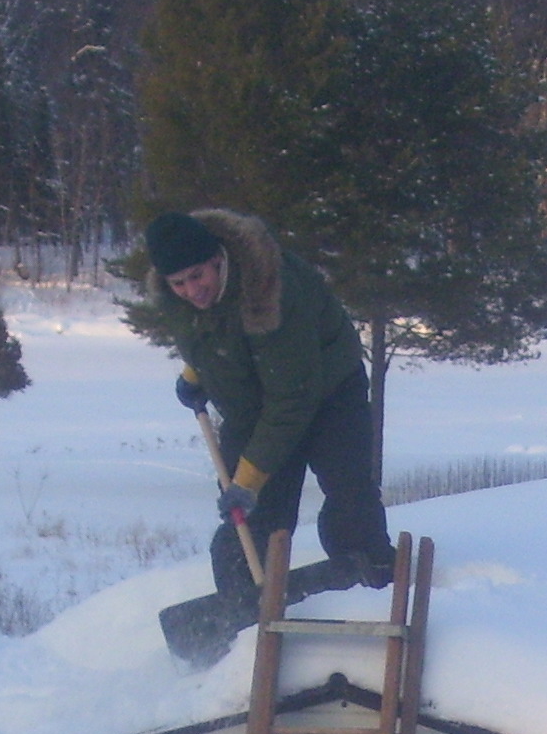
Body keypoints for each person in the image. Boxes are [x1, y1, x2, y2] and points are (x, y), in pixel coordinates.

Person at [143, 208, 395, 617]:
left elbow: (291, 398)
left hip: (328, 388)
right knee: (247, 518)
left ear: (218, 259)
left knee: (348, 491)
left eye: (198, 276)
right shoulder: (180, 301)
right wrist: (197, 374)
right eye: (179, 282)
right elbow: (209, 335)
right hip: (256, 402)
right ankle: (244, 614)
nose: (192, 290)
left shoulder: (271, 290)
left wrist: (248, 478)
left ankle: (371, 587)